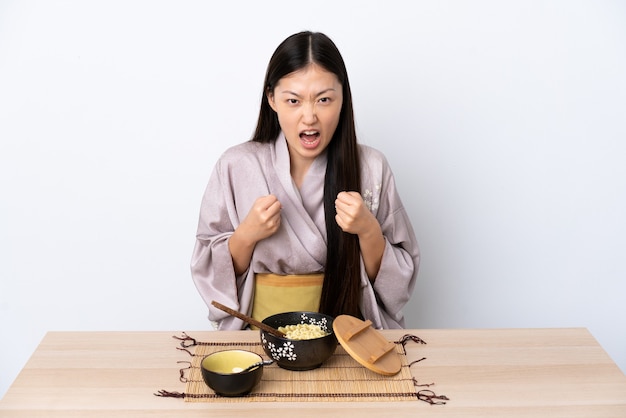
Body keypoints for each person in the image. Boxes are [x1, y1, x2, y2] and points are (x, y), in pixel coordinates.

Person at [191, 31, 419, 330]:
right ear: (272, 98)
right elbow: (206, 267)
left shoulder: (372, 167)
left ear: (343, 99)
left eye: (324, 99)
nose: (309, 116)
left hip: (348, 334)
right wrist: (246, 234)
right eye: (294, 100)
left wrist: (368, 231)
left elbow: (399, 282)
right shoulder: (235, 165)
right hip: (260, 334)